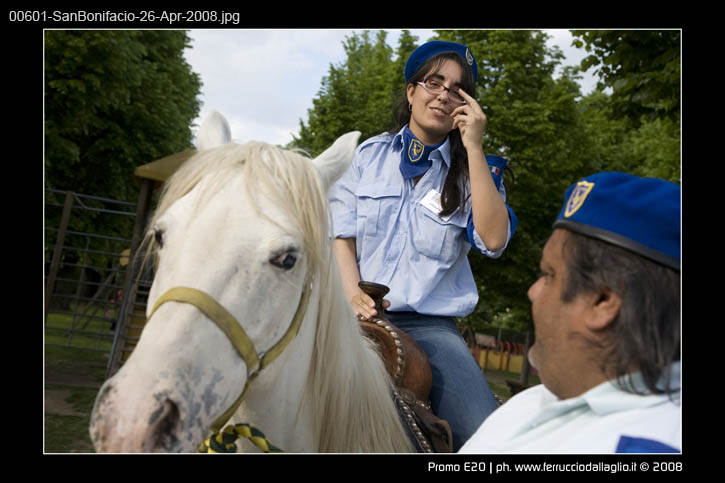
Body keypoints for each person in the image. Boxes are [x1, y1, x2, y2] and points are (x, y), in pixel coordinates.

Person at [328, 40, 518, 451]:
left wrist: (474, 146)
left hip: (430, 327)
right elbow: (340, 233)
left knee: (484, 438)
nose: (444, 94)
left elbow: (494, 240)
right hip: (349, 312)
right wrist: (349, 289)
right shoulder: (367, 155)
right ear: (412, 92)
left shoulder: (476, 173)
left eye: (457, 88)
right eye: (434, 82)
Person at [459, 172, 681, 453]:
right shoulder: (534, 401)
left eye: (548, 274)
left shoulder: (643, 448)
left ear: (603, 301)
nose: (533, 291)